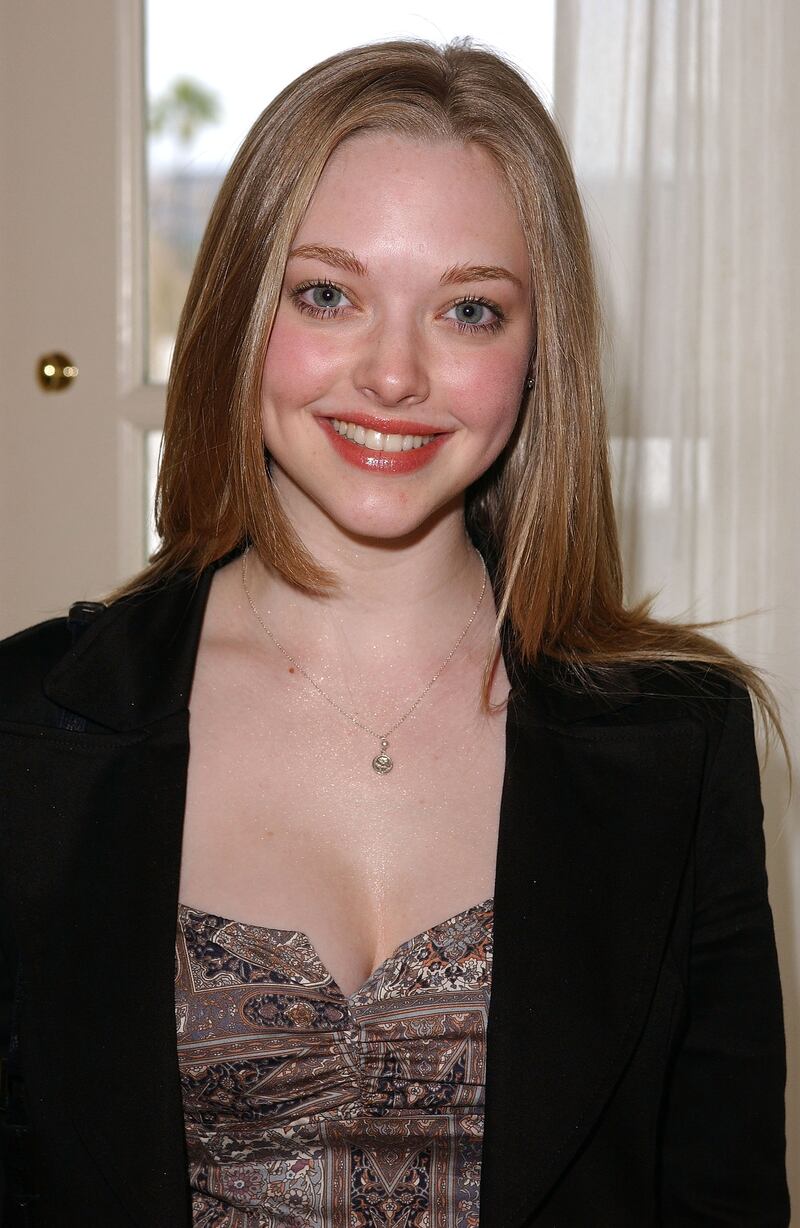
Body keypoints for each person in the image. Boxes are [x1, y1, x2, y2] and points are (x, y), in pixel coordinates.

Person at [0, 33, 790, 1228]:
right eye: (328, 294)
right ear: (238, 311)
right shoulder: (27, 731)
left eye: (469, 310)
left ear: (537, 355)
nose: (393, 375)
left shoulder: (681, 745)